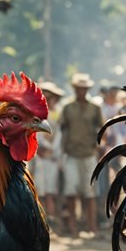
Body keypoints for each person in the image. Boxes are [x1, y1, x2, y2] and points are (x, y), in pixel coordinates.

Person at [59, 72, 103, 237]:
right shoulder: (67, 108)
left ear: (88, 89)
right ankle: (73, 227)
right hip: (71, 153)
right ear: (75, 89)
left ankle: (92, 227)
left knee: (89, 192)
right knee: (71, 191)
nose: (81, 91)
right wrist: (61, 153)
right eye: (78, 88)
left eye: (84, 89)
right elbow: (63, 130)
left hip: (89, 153)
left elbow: (102, 129)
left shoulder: (95, 108)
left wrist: (100, 147)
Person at [34, 81, 64, 229]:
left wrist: (52, 149)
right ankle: (42, 221)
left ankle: (51, 220)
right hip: (39, 156)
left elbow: (59, 134)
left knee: (51, 190)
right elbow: (36, 135)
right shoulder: (35, 112)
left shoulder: (58, 112)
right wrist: (41, 148)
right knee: (40, 190)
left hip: (52, 155)